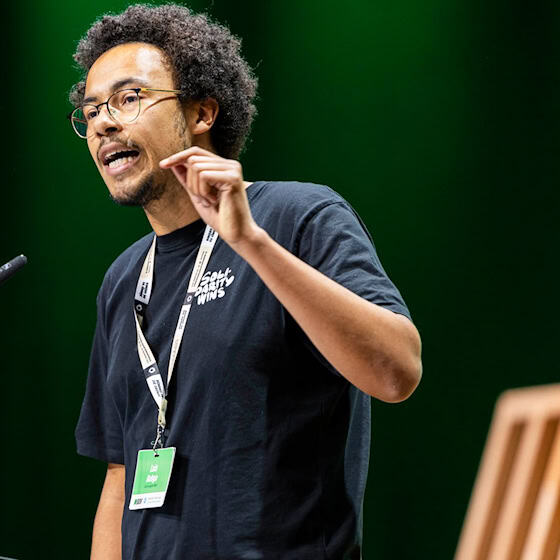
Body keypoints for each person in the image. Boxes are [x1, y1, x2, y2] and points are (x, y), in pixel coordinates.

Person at [69, 5, 422, 560]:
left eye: (128, 98)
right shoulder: (124, 279)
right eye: (91, 110)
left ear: (202, 111)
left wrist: (250, 242)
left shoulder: (297, 217)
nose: (102, 124)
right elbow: (120, 471)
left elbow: (397, 372)